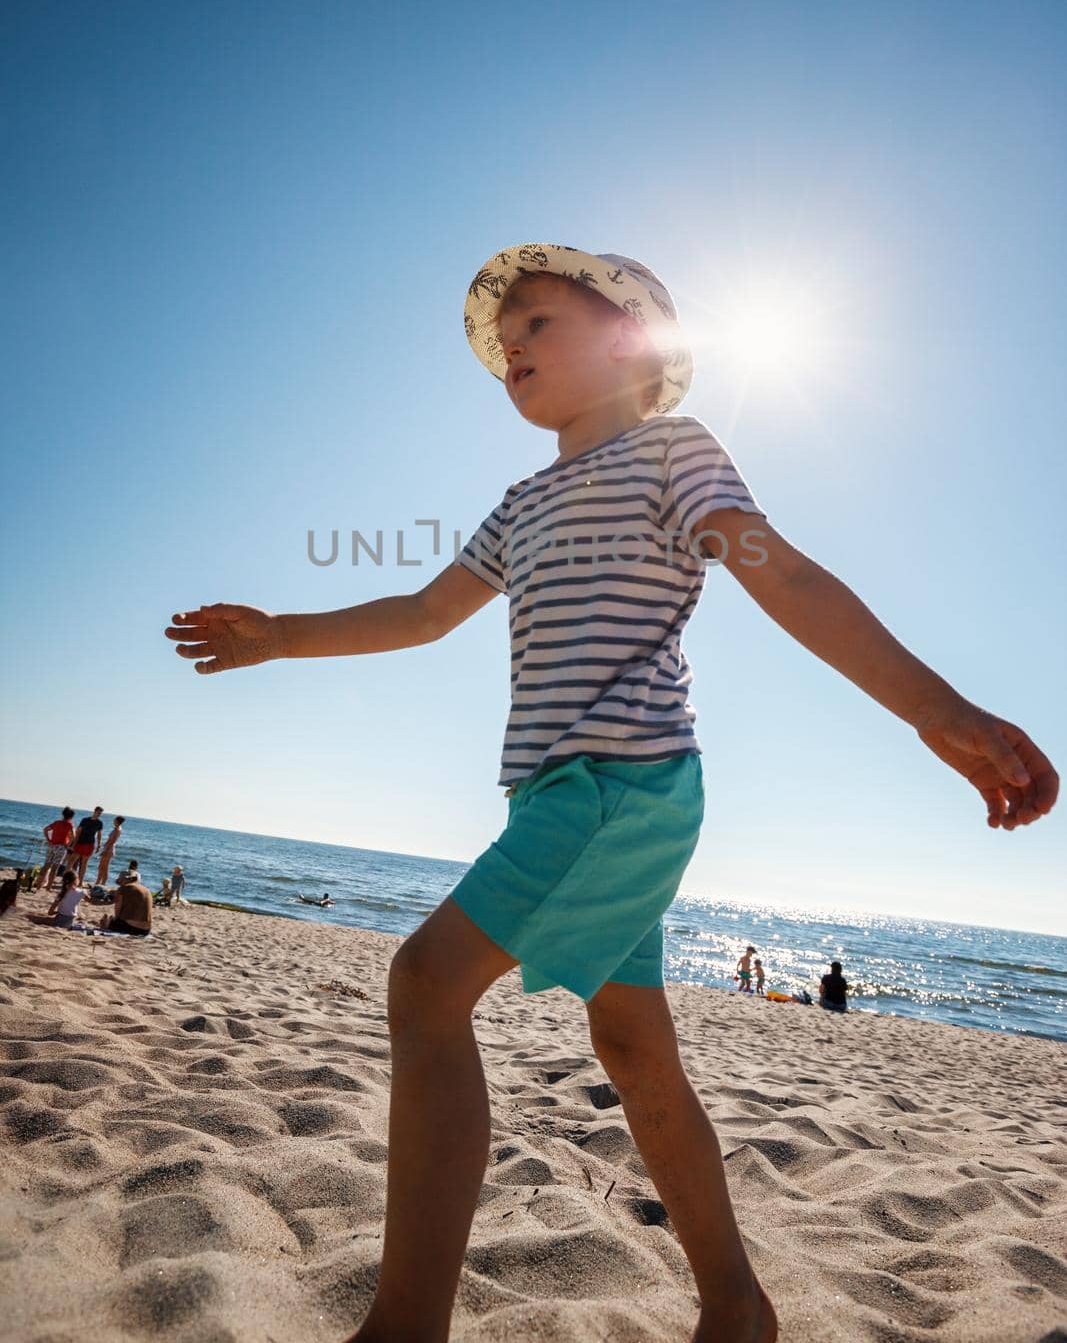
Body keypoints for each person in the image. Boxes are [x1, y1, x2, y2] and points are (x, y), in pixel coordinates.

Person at [165, 241, 1058, 1343]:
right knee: (633, 1047)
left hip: (618, 785)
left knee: (424, 988)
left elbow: (784, 574)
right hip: (559, 795)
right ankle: (736, 1305)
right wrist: (279, 638)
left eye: (535, 323)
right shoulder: (520, 503)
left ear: (630, 339)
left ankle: (404, 1329)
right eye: (503, 343)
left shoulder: (673, 453)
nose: (509, 350)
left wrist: (935, 707)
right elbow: (422, 612)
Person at [37, 807, 76, 890]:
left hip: (52, 846)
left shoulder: (57, 823)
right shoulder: (70, 825)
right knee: (54, 868)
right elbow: (73, 836)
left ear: (63, 814)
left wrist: (48, 840)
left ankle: (38, 885)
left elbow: (45, 829)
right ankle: (48, 887)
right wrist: (68, 845)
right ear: (71, 816)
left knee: (46, 866)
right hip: (61, 847)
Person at [104, 872, 153, 936]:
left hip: (131, 928)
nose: (120, 884)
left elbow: (117, 910)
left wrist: (112, 922)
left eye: (120, 881)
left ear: (124, 880)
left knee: (107, 921)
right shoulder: (146, 889)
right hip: (146, 930)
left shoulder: (123, 888)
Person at [69, 807, 105, 885]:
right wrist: (73, 844)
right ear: (94, 811)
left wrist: (98, 845)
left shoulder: (99, 823)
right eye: (98, 812)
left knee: (84, 863)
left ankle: (80, 881)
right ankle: (68, 880)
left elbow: (99, 835)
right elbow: (78, 832)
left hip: (90, 844)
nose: (99, 814)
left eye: (100, 813)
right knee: (72, 861)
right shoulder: (85, 820)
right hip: (80, 843)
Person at [94, 815, 126, 886]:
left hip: (109, 849)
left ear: (117, 821)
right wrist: (103, 846)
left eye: (114, 820)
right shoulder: (117, 829)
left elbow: (112, 841)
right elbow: (110, 840)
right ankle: (100, 882)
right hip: (108, 848)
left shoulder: (117, 830)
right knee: (104, 867)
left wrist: (105, 850)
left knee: (103, 867)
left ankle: (99, 882)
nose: (113, 821)